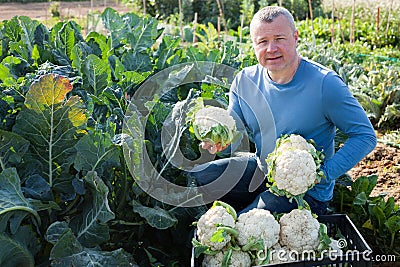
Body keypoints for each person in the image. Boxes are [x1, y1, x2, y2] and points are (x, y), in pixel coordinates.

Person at [188, 6, 377, 216]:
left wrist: (321, 175)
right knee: (200, 177)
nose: (271, 48)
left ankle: (251, 216)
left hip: (305, 193)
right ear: (253, 45)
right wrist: (218, 141)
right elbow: (235, 131)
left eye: (279, 38)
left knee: (243, 224)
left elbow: (365, 136)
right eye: (262, 41)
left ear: (295, 37)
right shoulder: (245, 81)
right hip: (263, 171)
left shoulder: (325, 84)